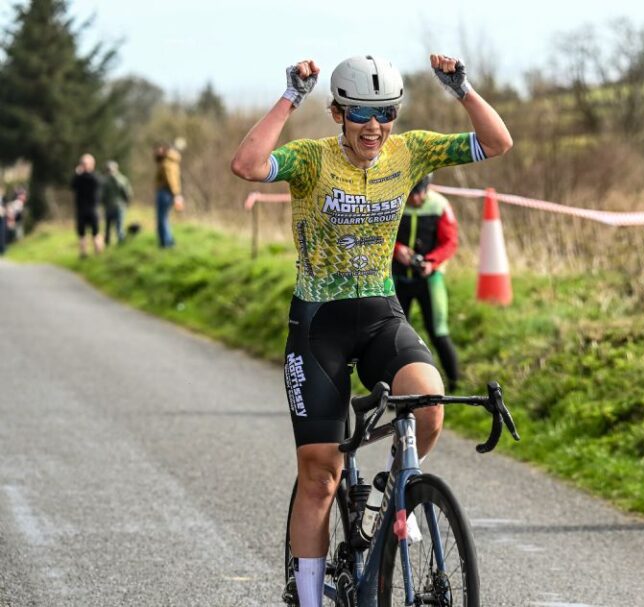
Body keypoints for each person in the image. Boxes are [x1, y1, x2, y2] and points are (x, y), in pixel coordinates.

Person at [231, 54, 512, 606]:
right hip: (320, 326)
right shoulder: (311, 159)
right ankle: (309, 597)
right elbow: (246, 164)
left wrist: (462, 88)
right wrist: (290, 96)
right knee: (321, 474)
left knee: (429, 405)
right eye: (360, 112)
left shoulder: (410, 152)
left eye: (385, 113)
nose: (374, 126)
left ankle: (389, 496)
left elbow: (497, 142)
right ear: (337, 112)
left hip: (381, 313)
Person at [393, 173, 461, 391]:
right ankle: (395, 388)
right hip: (397, 279)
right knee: (395, 335)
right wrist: (397, 250)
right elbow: (378, 235)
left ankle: (455, 384)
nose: (415, 199)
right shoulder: (394, 201)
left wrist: (431, 262)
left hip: (429, 280)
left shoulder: (440, 205)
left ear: (427, 188)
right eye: (411, 194)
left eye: (420, 193)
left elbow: (450, 242)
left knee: (438, 331)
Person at [71, 154, 103, 258]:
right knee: (82, 234)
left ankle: (98, 254)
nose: (84, 166)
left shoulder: (95, 177)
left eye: (86, 164)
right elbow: (72, 186)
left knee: (95, 233)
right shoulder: (79, 178)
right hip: (81, 209)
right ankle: (83, 254)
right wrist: (78, 174)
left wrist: (83, 173)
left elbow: (98, 184)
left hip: (93, 209)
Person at [154, 143, 184, 248]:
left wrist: (176, 194)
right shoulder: (172, 163)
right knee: (164, 218)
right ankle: (167, 241)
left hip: (165, 193)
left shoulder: (166, 164)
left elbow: (171, 180)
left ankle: (166, 243)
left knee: (162, 219)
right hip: (168, 193)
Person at [102, 160, 133, 245]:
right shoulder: (121, 179)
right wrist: (127, 203)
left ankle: (118, 244)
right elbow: (128, 193)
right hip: (115, 206)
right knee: (113, 227)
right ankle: (114, 244)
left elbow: (127, 193)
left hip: (115, 206)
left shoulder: (107, 180)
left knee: (114, 227)